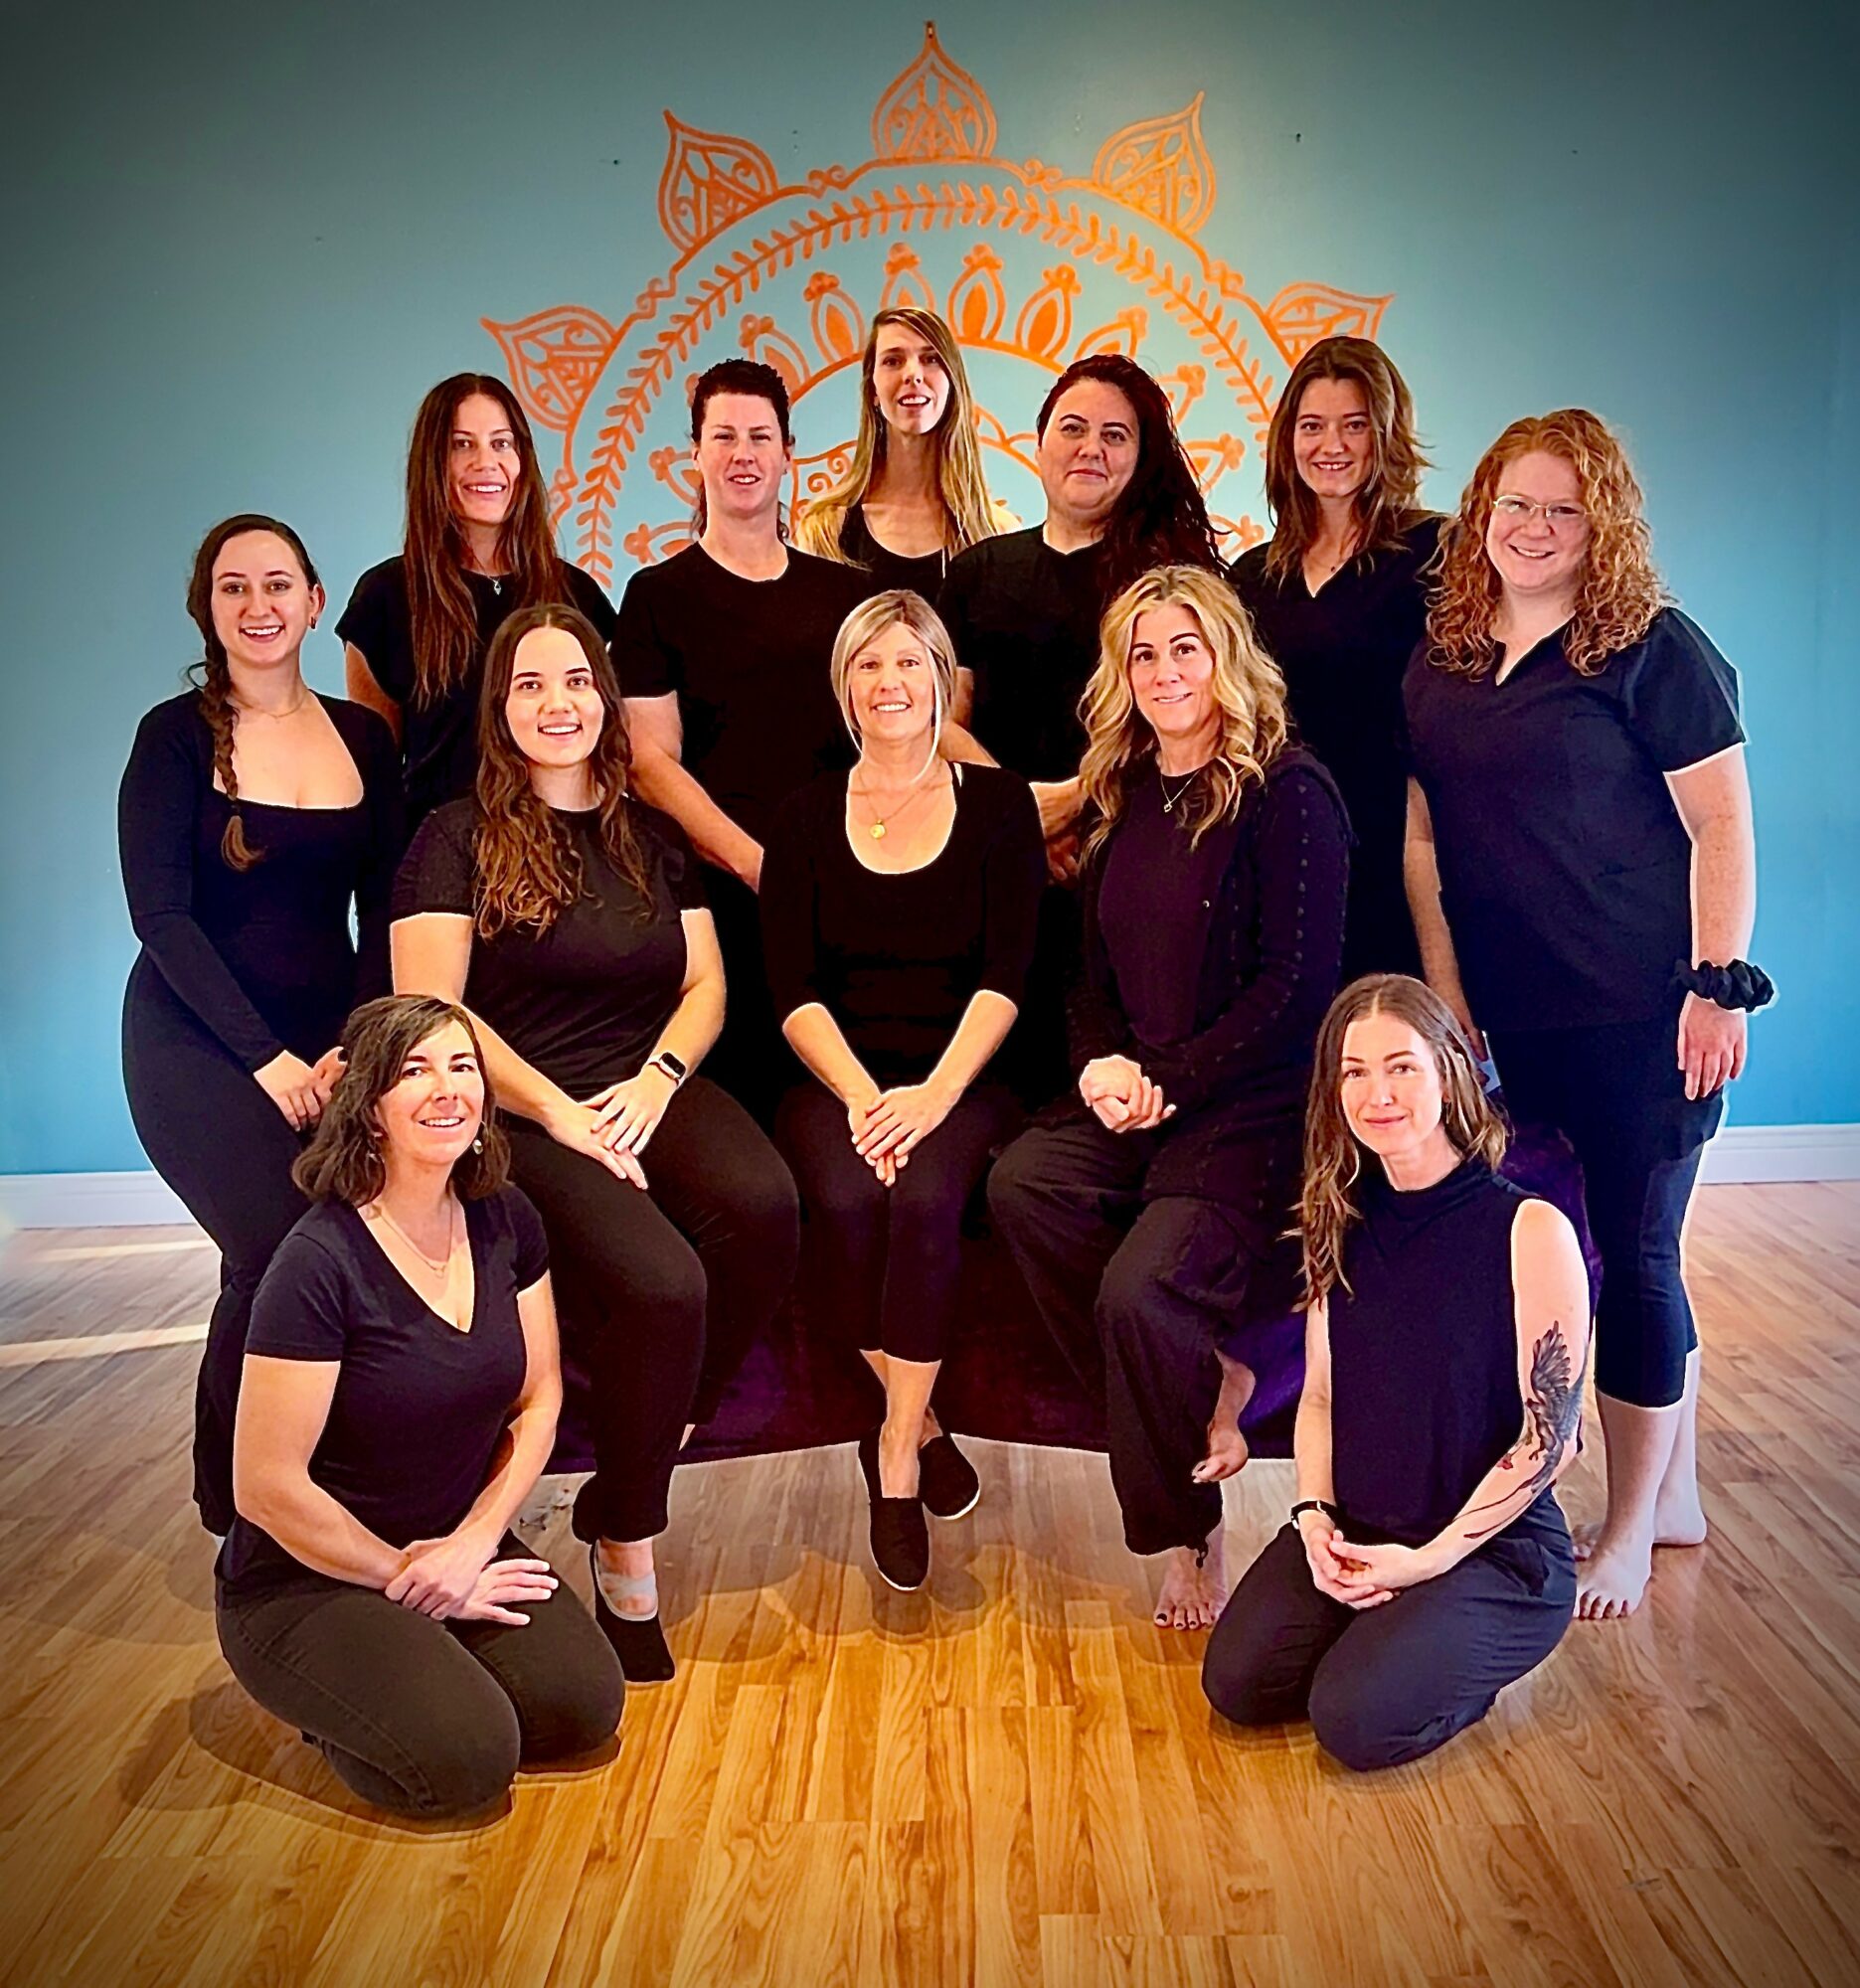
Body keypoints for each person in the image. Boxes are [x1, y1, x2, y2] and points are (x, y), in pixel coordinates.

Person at [392, 603, 799, 1681]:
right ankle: (628, 1536)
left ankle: (638, 1457)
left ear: (605, 702)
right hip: (517, 1106)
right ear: (500, 709)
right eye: (529, 685)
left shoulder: (647, 835)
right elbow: (431, 1007)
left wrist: (656, 1081)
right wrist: (558, 1113)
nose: (557, 703)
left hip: (640, 1080)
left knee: (765, 1209)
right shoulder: (452, 836)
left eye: (576, 681)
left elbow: (705, 984)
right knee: (665, 1285)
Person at [1404, 409, 1763, 1619]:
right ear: (1480, 514)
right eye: (1513, 503)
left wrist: (1714, 983)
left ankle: (1625, 1527)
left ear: (1598, 523)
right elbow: (1423, 838)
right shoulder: (1447, 657)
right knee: (1598, 1249)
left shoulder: (1652, 649)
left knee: (1639, 1258)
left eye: (1561, 508)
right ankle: (1675, 1492)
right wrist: (1450, 997)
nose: (1532, 527)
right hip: (1518, 1018)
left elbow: (1720, 821)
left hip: (1643, 1017)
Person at [988, 566, 1348, 1630]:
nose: (1163, 671)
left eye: (1184, 647)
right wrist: (1098, 1063)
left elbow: (1296, 990)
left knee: (1136, 1295)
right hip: (1136, 1092)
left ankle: (1186, 1526)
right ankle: (1200, 1385)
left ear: (1226, 656)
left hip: (1246, 1107)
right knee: (1023, 1185)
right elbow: (1085, 978)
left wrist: (1168, 1080)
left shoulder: (1289, 791)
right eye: (1142, 654)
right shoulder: (1127, 794)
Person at [217, 995, 623, 1820]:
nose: (448, 1089)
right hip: (307, 1575)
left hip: (450, 1543)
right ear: (369, 1107)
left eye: (462, 1066)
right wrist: (407, 1577)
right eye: (414, 1071)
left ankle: (418, 1661)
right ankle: (337, 1702)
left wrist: (472, 1543)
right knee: (466, 1761)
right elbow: (264, 1488)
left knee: (581, 1707)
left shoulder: (505, 1218)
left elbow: (539, 1397)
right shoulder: (316, 1263)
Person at [1202, 975, 1589, 1770]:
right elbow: (1318, 1396)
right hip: (1364, 1523)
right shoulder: (1339, 1217)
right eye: (1354, 1071)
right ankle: (1388, 1631)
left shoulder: (1528, 1228)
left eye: (1401, 1067)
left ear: (1448, 1073)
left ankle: (1449, 1661)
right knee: (1236, 1685)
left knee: (1352, 1722)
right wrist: (1314, 1516)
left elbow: (1552, 1440)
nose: (1376, 1093)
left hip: (1491, 1550)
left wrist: (1429, 1560)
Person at [120, 514, 402, 1537]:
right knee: (275, 1246)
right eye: (232, 587)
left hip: (328, 1040)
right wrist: (267, 1059)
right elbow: (161, 918)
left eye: (277, 584)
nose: (257, 605)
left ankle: (324, 1484)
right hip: (195, 1040)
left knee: (338, 1249)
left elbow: (385, 910)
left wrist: (353, 1047)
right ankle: (241, 1507)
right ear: (208, 608)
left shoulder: (364, 737)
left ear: (314, 602)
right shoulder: (173, 736)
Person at [760, 591, 1044, 1589]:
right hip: (836, 1076)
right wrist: (862, 1099)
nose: (889, 683)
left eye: (908, 662)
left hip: (965, 1074)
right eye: (868, 665)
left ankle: (890, 1458)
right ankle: (921, 1422)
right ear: (844, 688)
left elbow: (1007, 975)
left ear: (940, 679)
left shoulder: (998, 806)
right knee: (841, 1198)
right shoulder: (801, 815)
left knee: (922, 1198)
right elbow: (791, 990)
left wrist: (929, 1098)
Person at [611, 359, 873, 1111]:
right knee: (742, 1111)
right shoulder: (656, 596)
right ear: (695, 453)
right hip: (714, 905)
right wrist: (762, 869)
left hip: (842, 892)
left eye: (760, 437)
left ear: (788, 453)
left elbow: (888, 741)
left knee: (845, 1107)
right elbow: (649, 762)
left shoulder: (848, 595)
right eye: (723, 437)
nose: (742, 454)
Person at [939, 352, 1226, 850]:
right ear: (1039, 445)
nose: (1091, 448)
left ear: (1140, 459)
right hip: (994, 848)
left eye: (1115, 436)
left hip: (1134, 844)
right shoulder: (975, 571)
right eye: (1073, 429)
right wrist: (1020, 813)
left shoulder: (1172, 584)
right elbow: (942, 723)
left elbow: (1196, 718)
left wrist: (1074, 804)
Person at [1231, 336, 1439, 978]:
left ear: (1386, 435)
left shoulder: (1436, 553)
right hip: (1286, 845)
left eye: (1354, 425)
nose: (1332, 445)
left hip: (1404, 843)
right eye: (1312, 426)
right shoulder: (1250, 576)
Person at [341, 371, 615, 833]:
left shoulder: (578, 596)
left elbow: (606, 753)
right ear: (433, 462)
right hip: (437, 854)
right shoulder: (385, 598)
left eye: (501, 443)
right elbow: (376, 774)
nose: (486, 462)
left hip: (563, 853)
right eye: (462, 445)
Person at [792, 307, 1008, 598]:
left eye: (930, 359)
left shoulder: (997, 534)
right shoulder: (825, 533)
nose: (913, 375)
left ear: (953, 382)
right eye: (893, 361)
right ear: (873, 391)